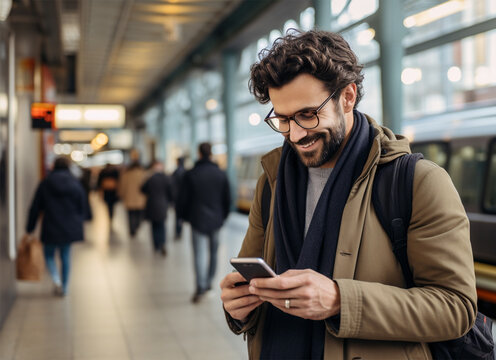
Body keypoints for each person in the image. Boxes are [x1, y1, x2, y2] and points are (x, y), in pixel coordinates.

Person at [220, 30, 477, 359]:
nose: (295, 135)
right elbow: (253, 280)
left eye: (307, 114)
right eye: (282, 119)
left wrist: (341, 300)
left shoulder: (417, 182)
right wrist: (238, 307)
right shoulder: (271, 183)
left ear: (348, 97)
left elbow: (456, 307)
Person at [26, 156, 86, 296]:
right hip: (69, 226)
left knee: (48, 255)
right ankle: (64, 287)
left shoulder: (45, 183)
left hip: (51, 224)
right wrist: (79, 222)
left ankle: (56, 279)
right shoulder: (75, 183)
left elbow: (35, 207)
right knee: (65, 256)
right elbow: (82, 206)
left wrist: (30, 227)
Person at [179, 142, 230, 303]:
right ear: (211, 153)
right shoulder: (220, 173)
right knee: (214, 252)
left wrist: (186, 217)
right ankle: (208, 283)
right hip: (216, 219)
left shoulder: (192, 174)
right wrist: (223, 217)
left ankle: (200, 286)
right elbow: (227, 198)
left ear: (199, 153)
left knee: (199, 254)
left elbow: (183, 199)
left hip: (197, 219)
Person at [141, 160, 172, 256]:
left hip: (152, 204)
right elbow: (171, 191)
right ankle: (162, 242)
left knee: (154, 226)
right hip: (162, 204)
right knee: (161, 225)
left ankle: (156, 245)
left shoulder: (150, 178)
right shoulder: (166, 178)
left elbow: (142, 189)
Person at [118, 160, 147, 237]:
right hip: (141, 198)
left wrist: (121, 195)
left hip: (129, 198)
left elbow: (122, 187)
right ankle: (137, 226)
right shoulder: (143, 174)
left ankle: (132, 230)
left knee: (130, 215)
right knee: (139, 214)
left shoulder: (126, 175)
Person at [171, 156, 186, 240]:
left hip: (177, 198)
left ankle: (178, 232)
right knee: (181, 216)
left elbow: (172, 186)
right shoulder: (186, 172)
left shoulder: (175, 172)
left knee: (177, 216)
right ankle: (179, 231)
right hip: (183, 198)